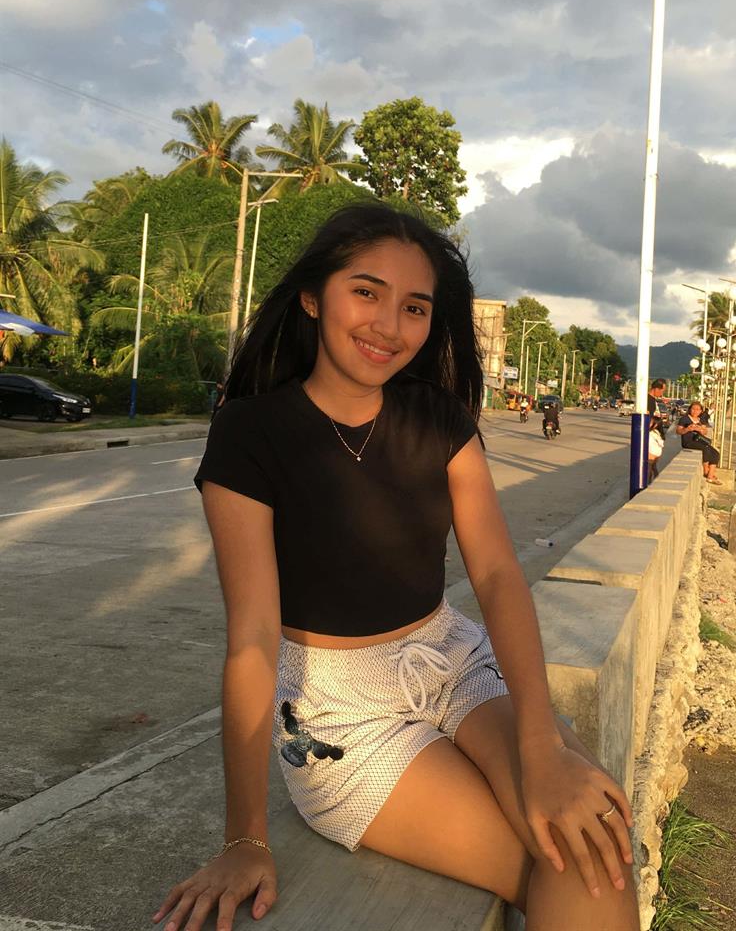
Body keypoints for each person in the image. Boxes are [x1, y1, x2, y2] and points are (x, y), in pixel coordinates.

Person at [153, 202, 639, 931]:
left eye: (414, 307)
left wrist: (541, 744)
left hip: (453, 659)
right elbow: (251, 638)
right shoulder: (250, 434)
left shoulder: (438, 420)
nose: (388, 325)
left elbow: (498, 575)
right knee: (570, 868)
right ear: (314, 297)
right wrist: (244, 838)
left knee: (596, 843)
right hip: (336, 709)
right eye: (366, 292)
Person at [676, 400, 721, 484]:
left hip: (699, 440)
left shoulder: (700, 420)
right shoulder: (684, 419)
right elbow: (678, 431)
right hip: (688, 442)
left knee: (715, 453)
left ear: (700, 411)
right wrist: (687, 429)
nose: (695, 411)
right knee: (706, 448)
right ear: (690, 409)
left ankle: (710, 475)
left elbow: (705, 432)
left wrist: (700, 429)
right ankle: (706, 472)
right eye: (693, 409)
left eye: (697, 409)